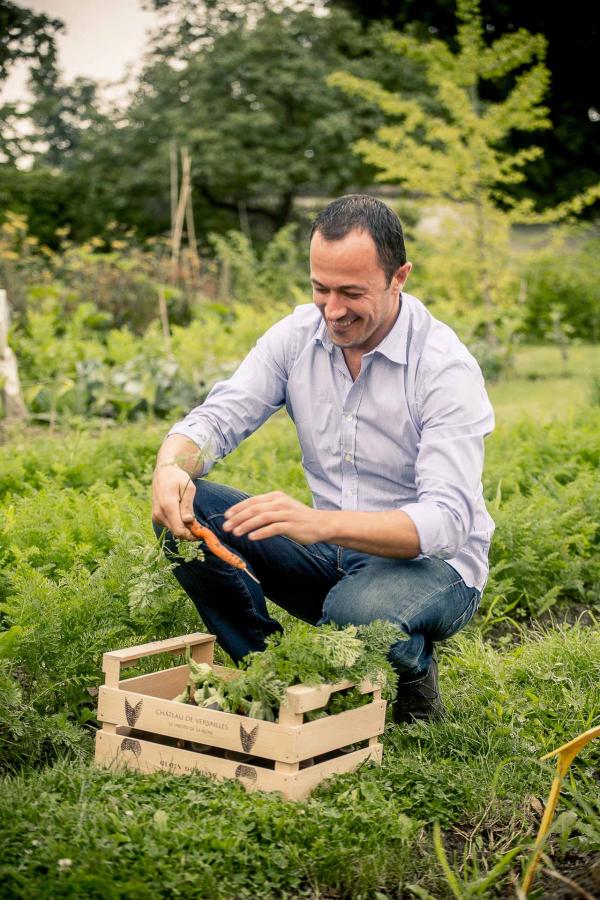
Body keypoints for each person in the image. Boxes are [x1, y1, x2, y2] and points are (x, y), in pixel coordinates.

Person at [152, 194, 495, 723]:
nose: (333, 310)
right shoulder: (295, 338)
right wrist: (172, 466)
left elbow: (448, 522)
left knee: (354, 615)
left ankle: (412, 670)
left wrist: (317, 522)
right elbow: (217, 419)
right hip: (333, 552)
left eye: (352, 292)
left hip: (435, 569)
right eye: (320, 288)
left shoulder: (443, 368)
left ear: (398, 276)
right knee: (193, 511)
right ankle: (271, 676)